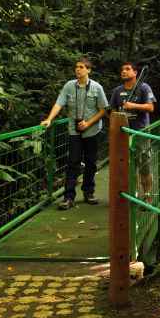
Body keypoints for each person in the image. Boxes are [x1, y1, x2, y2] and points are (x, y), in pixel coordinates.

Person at [41, 57, 108, 210]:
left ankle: (88, 192)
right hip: (74, 131)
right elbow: (59, 103)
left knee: (91, 163)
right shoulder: (69, 86)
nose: (78, 69)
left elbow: (104, 109)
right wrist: (49, 119)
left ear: (88, 70)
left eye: (82, 67)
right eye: (77, 67)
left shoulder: (97, 87)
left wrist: (88, 123)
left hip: (91, 130)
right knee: (73, 163)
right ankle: (68, 197)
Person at [109, 61, 156, 199]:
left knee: (144, 166)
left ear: (135, 73)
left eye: (128, 69)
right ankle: (132, 194)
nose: (124, 71)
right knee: (128, 166)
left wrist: (132, 105)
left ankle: (147, 195)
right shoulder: (117, 91)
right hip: (123, 134)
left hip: (140, 132)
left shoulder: (144, 88)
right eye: (122, 69)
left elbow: (150, 107)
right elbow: (112, 109)